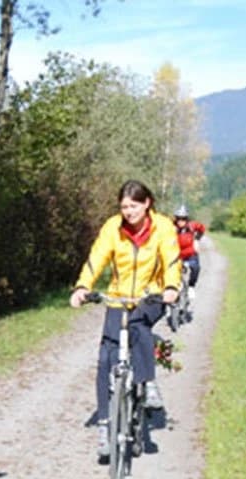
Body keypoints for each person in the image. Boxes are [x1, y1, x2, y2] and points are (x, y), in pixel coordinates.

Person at [70, 180, 182, 457]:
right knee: (106, 357)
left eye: (134, 206)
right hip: (119, 296)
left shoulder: (163, 227)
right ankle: (105, 427)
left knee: (138, 324)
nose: (128, 212)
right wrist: (83, 286)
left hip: (152, 296)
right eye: (124, 207)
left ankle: (147, 383)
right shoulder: (113, 227)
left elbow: (171, 258)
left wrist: (171, 287)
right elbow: (97, 257)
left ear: (147, 204)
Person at [172, 204, 206, 307]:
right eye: (178, 218)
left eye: (183, 219)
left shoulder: (192, 226)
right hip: (176, 255)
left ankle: (191, 286)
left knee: (195, 267)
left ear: (186, 219)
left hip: (190, 253)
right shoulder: (171, 227)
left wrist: (197, 239)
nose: (180, 221)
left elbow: (202, 229)